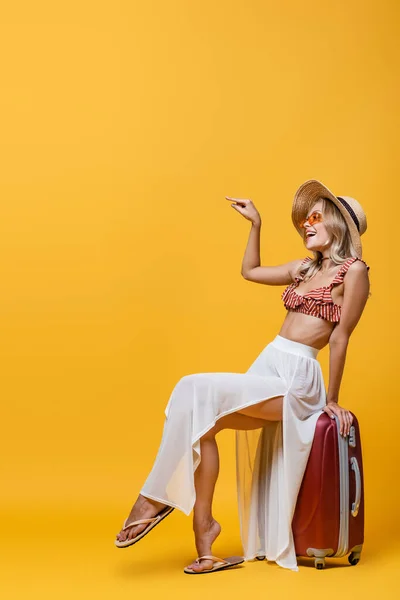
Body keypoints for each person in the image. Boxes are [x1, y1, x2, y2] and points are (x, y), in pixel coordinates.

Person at [114, 179, 370, 574]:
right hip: (269, 364)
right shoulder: (305, 268)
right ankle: (206, 540)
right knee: (202, 424)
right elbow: (249, 271)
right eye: (305, 218)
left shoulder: (354, 272)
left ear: (338, 224)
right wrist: (256, 225)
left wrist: (332, 398)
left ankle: (153, 498)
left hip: (297, 381)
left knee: (191, 386)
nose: (306, 223)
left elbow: (340, 338)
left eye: (316, 217)